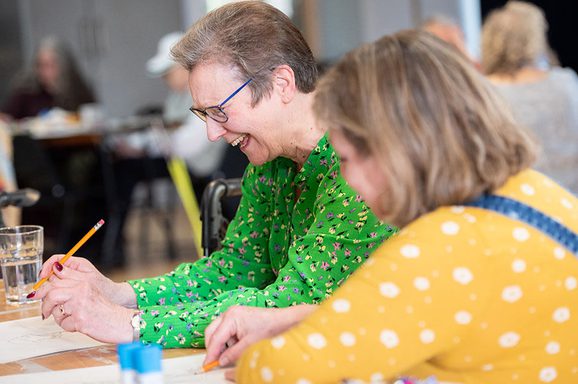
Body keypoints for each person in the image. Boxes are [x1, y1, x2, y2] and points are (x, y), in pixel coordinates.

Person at [203, 30, 578, 383]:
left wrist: (261, 355)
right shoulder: (538, 193)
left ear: (393, 150)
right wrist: (298, 319)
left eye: (346, 158)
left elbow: (279, 370)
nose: (344, 179)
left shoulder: (439, 248)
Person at [34, 1, 396, 348]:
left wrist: (128, 323)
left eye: (219, 111)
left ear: (282, 83)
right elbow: (233, 270)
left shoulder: (362, 167)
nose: (212, 133)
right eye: (203, 114)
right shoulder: (271, 161)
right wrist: (120, 295)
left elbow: (287, 305)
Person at [107, 32, 228, 266]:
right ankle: (113, 242)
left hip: (199, 167)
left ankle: (113, 246)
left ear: (185, 66)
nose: (165, 78)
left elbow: (184, 145)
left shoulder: (201, 94)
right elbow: (166, 133)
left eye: (168, 72)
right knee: (120, 168)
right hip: (179, 162)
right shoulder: (176, 98)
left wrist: (143, 146)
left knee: (125, 171)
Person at [481, 1, 578, 194]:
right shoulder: (565, 82)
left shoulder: (484, 91)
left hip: (518, 209)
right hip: (571, 203)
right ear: (534, 38)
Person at [1, 36, 95, 121]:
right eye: (40, 65)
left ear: (64, 66)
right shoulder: (26, 91)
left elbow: (93, 118)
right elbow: (6, 118)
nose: (45, 72)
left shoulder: (78, 90)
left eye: (51, 65)